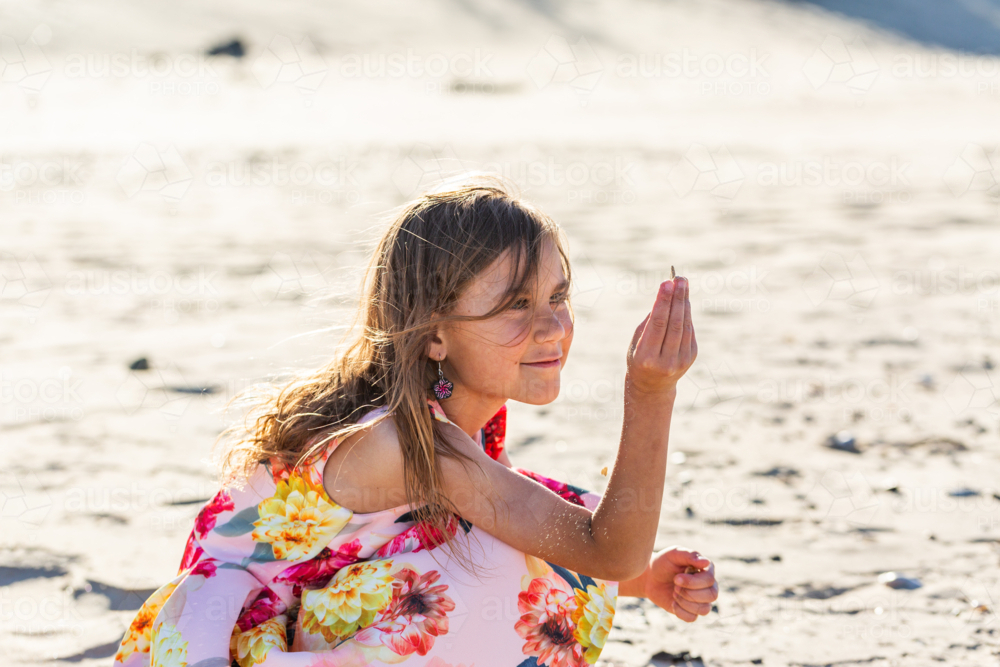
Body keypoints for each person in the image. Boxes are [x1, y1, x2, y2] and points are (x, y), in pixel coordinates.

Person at [112, 175, 717, 667]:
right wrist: (650, 391)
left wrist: (640, 577)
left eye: (558, 296)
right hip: (221, 646)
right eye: (516, 306)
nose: (553, 326)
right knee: (486, 572)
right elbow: (603, 550)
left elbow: (569, 539)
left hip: (293, 622)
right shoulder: (405, 441)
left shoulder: (454, 418)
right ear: (433, 333)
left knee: (515, 523)